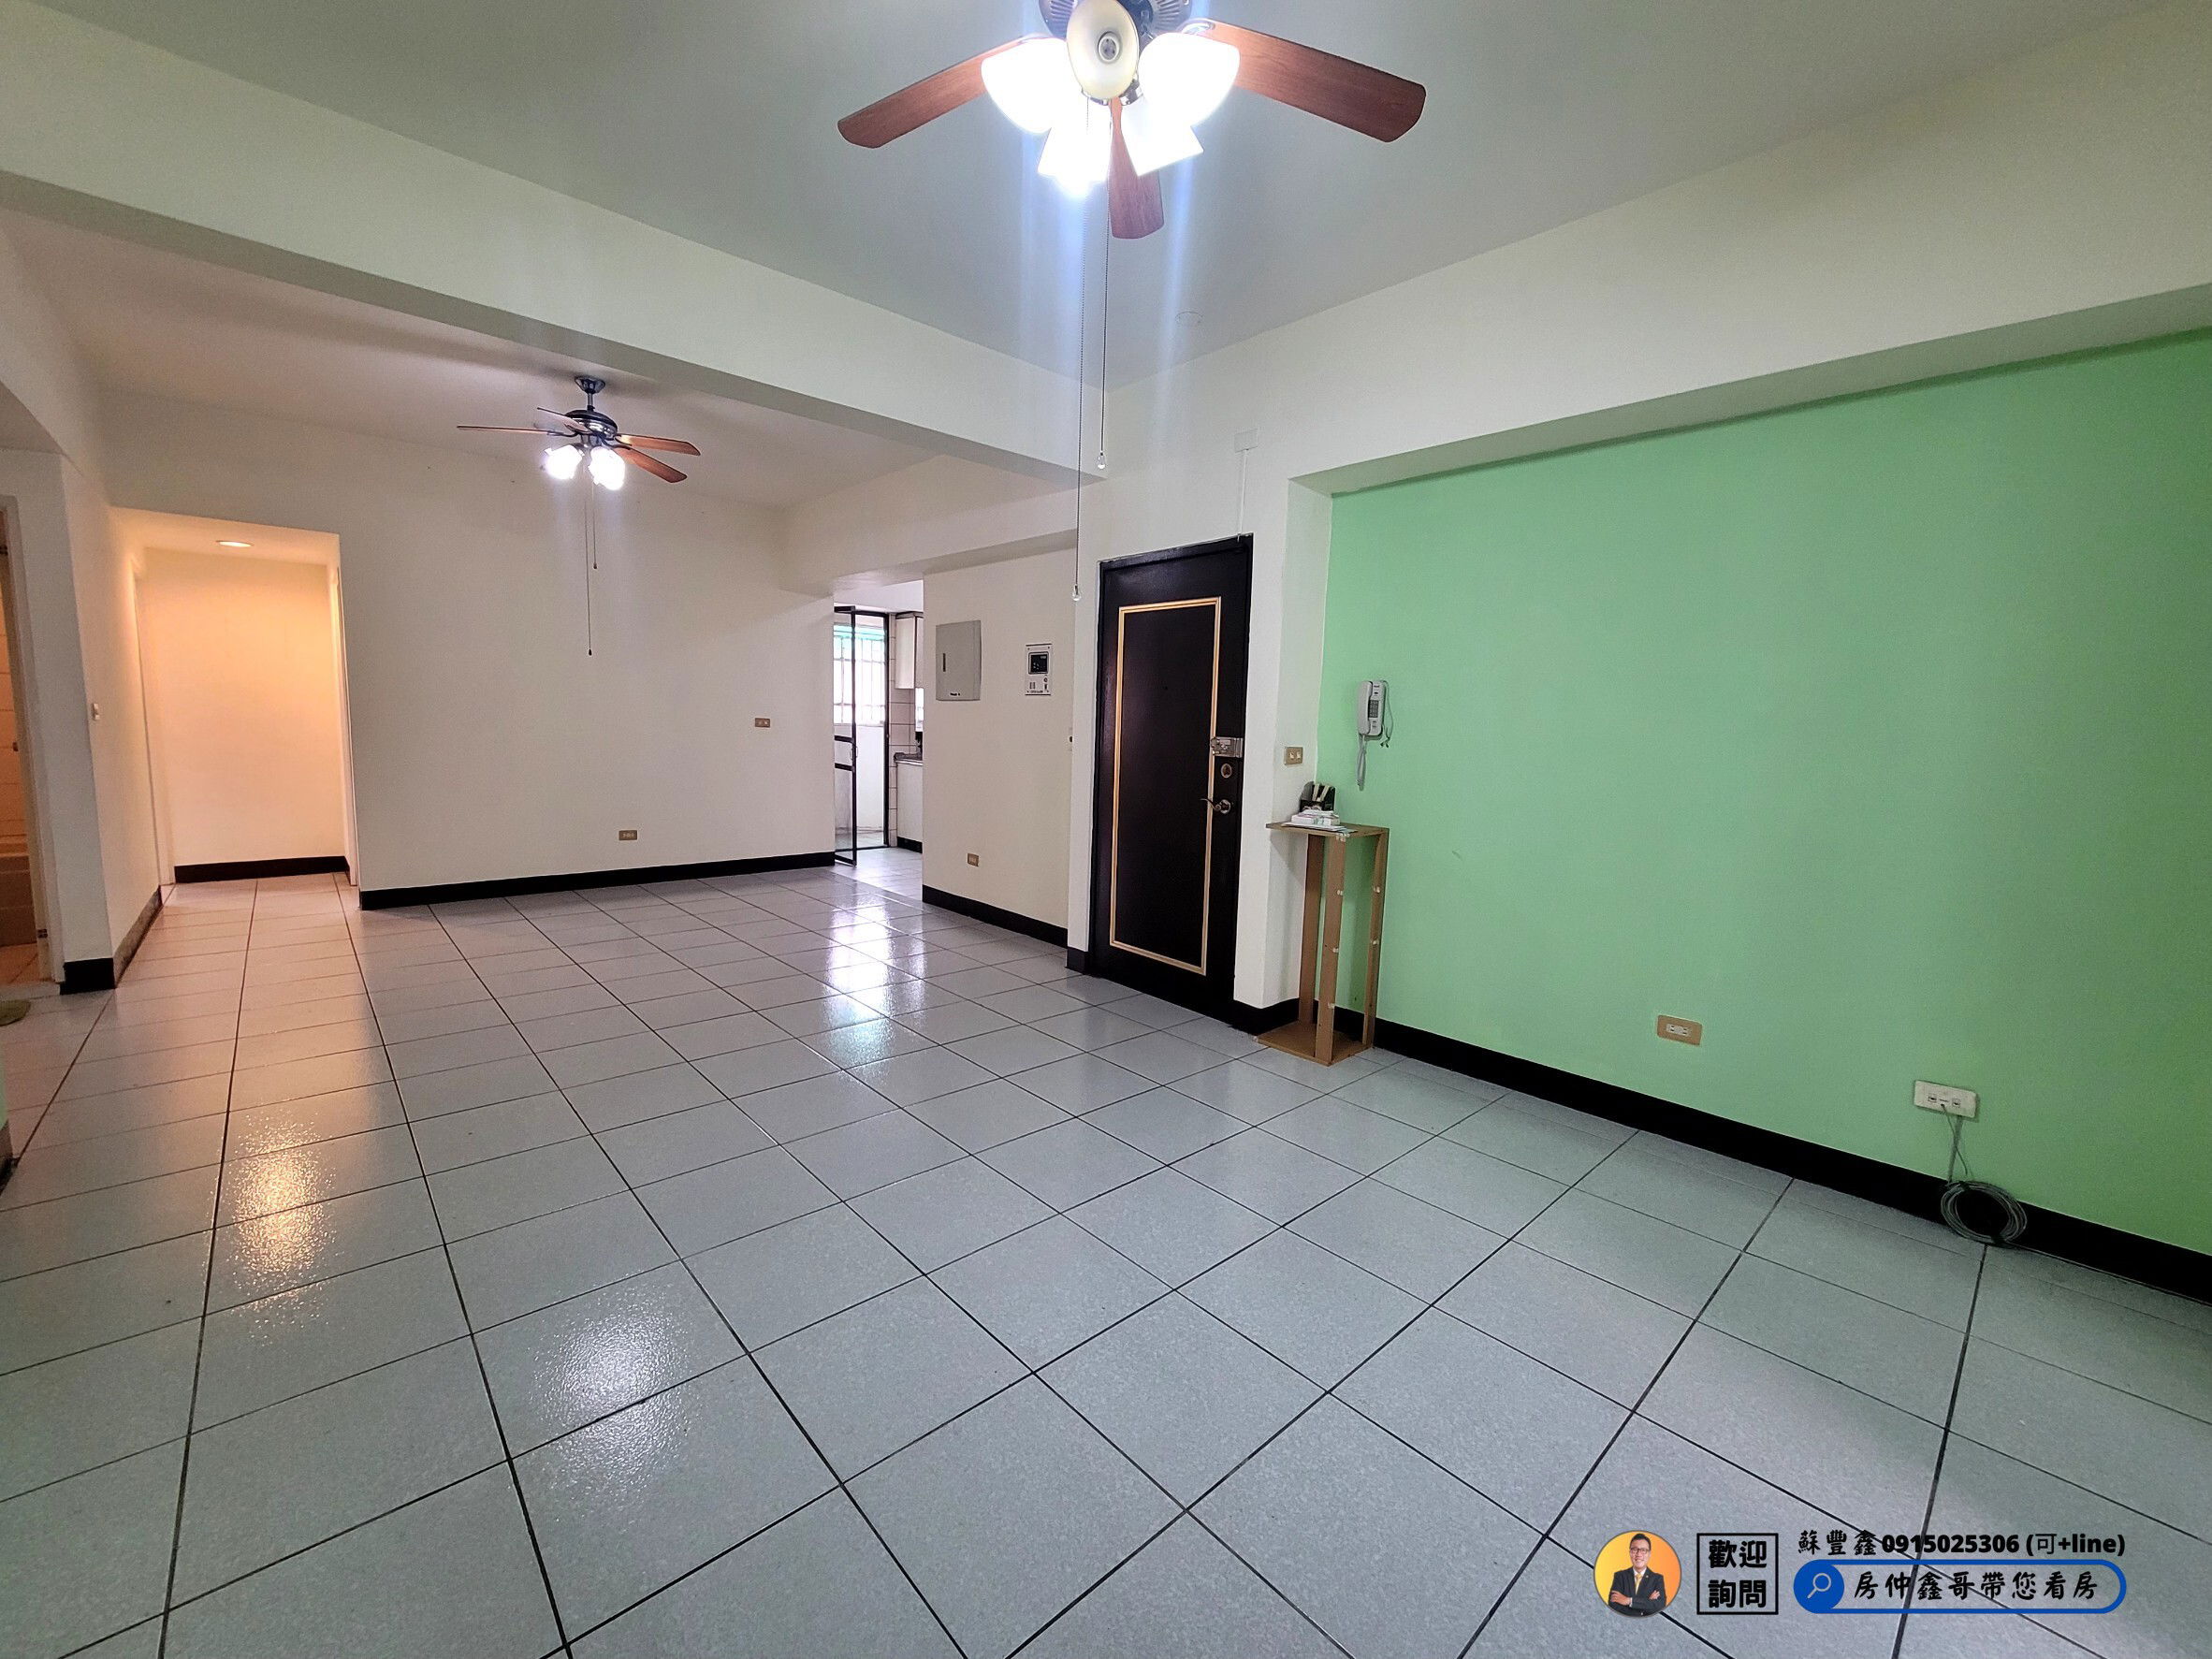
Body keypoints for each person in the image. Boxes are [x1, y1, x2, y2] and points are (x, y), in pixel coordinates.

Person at [1608, 1535, 1668, 1616]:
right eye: (1635, 1549)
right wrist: (1646, 1604)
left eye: (1643, 1550)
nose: (1639, 1554)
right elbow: (1613, 1606)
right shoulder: (1620, 1576)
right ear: (1630, 1553)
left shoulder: (1657, 1579)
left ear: (1649, 1554)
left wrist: (1629, 1601)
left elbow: (1660, 1606)